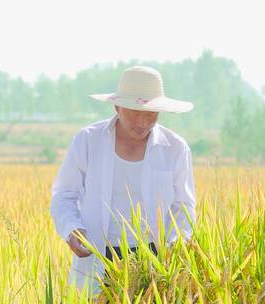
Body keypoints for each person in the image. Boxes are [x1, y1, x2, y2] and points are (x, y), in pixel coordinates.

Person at [50, 66, 197, 296]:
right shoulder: (88, 141)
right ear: (117, 106)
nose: (143, 122)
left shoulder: (176, 149)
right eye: (135, 112)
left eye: (151, 114)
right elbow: (64, 194)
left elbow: (184, 206)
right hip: (97, 253)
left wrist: (175, 245)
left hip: (154, 259)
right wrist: (72, 229)